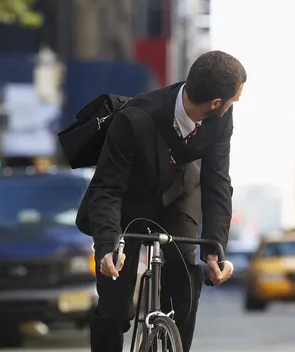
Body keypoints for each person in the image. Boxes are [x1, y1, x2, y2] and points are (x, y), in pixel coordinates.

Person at [77, 50, 246, 351]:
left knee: (184, 281)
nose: (238, 102)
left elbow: (217, 181)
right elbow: (107, 188)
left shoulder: (222, 119)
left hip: (179, 196)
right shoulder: (134, 119)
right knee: (114, 305)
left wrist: (214, 249)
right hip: (128, 202)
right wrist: (106, 246)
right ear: (215, 103)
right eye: (235, 97)